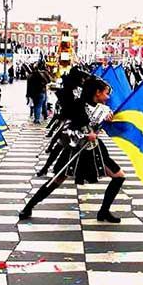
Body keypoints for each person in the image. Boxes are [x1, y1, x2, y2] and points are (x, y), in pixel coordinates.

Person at [19, 77, 125, 223]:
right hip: (75, 148)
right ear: (97, 92)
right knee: (56, 180)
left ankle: (104, 212)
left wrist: (107, 121)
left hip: (94, 149)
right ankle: (29, 207)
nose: (108, 97)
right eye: (106, 93)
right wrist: (86, 135)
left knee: (119, 176)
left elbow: (103, 126)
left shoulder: (104, 109)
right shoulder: (77, 106)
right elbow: (65, 131)